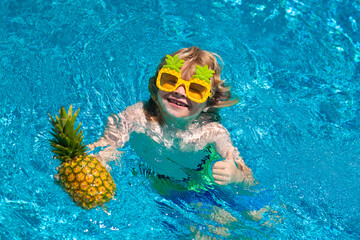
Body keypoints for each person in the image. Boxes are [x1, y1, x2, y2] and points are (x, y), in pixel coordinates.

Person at [88, 46, 257, 190]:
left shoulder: (212, 131)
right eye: (170, 80)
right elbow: (105, 146)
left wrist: (236, 176)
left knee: (259, 215)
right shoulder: (137, 116)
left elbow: (247, 176)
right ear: (156, 84)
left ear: (208, 102)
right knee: (208, 224)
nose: (180, 91)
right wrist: (96, 160)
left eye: (196, 89)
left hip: (203, 179)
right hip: (162, 183)